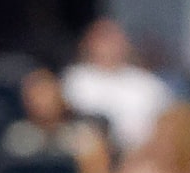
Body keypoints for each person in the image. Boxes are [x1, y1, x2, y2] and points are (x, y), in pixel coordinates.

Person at [56, 17, 172, 152]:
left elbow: (167, 123)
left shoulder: (149, 84)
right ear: (89, 43)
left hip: (143, 153)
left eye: (113, 40)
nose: (109, 46)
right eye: (103, 39)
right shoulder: (74, 80)